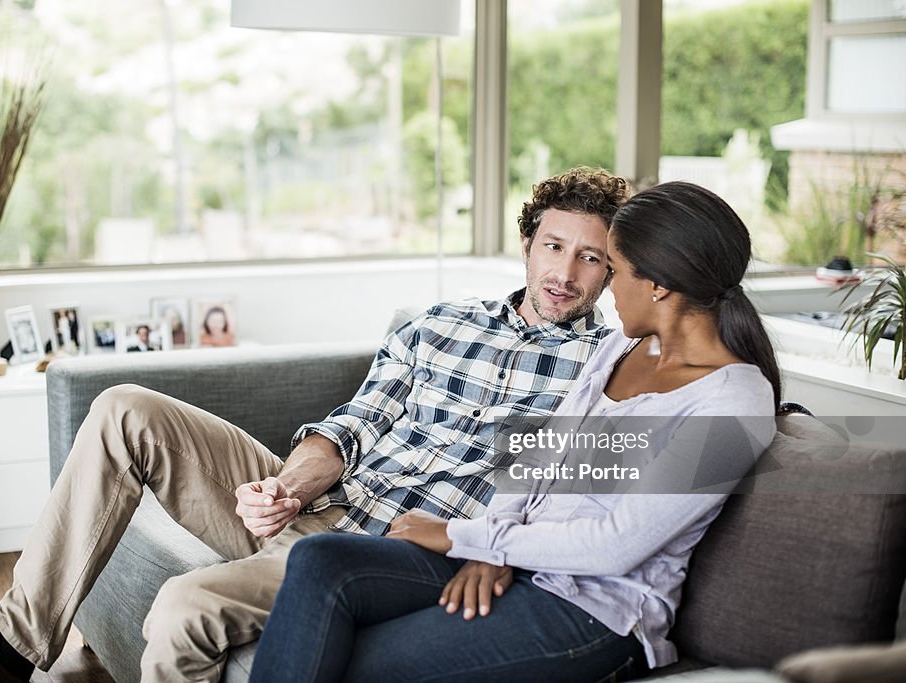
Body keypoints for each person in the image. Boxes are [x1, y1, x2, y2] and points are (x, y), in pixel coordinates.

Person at [0, 167, 629, 682]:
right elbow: (356, 422)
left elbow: (547, 494)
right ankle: (10, 646)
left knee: (184, 605)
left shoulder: (603, 367)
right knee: (122, 407)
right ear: (528, 243)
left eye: (591, 257)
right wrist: (283, 484)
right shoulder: (440, 322)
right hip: (324, 503)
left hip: (383, 550)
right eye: (554, 246)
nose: (566, 271)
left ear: (612, 271)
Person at [248, 181, 781, 683]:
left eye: (613, 269)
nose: (605, 287)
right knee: (320, 560)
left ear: (659, 284)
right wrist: (491, 551)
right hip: (519, 563)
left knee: (351, 662)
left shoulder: (736, 403)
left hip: (592, 613)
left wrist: (464, 536)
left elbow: (614, 547)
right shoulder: (619, 349)